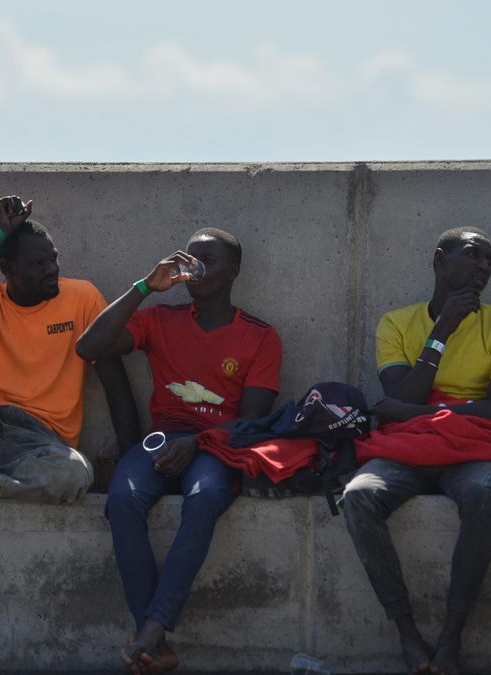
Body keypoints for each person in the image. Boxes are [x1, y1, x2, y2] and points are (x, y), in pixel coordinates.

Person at [76, 228, 283, 674]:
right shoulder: (159, 320)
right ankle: (156, 638)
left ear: (234, 271)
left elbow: (251, 422)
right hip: (164, 437)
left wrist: (199, 443)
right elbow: (87, 347)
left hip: (217, 445)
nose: (195, 267)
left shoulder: (260, 336)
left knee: (206, 497)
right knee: (122, 499)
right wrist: (145, 286)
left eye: (208, 260)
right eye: (190, 259)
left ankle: (150, 631)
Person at [341, 226, 491, 675]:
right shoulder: (395, 323)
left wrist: (416, 411)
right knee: (358, 494)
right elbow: (401, 395)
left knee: (483, 494)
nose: (484, 267)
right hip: (408, 450)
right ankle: (407, 633)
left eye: (490, 260)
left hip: (475, 450)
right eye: (473, 255)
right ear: (440, 260)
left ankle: (451, 636)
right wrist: (442, 329)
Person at [0, 198, 139, 521]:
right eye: (38, 264)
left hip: (43, 445)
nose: (52, 270)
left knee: (73, 475)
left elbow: (116, 385)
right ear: (8, 269)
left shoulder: (82, 297)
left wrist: (132, 466)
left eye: (53, 259)